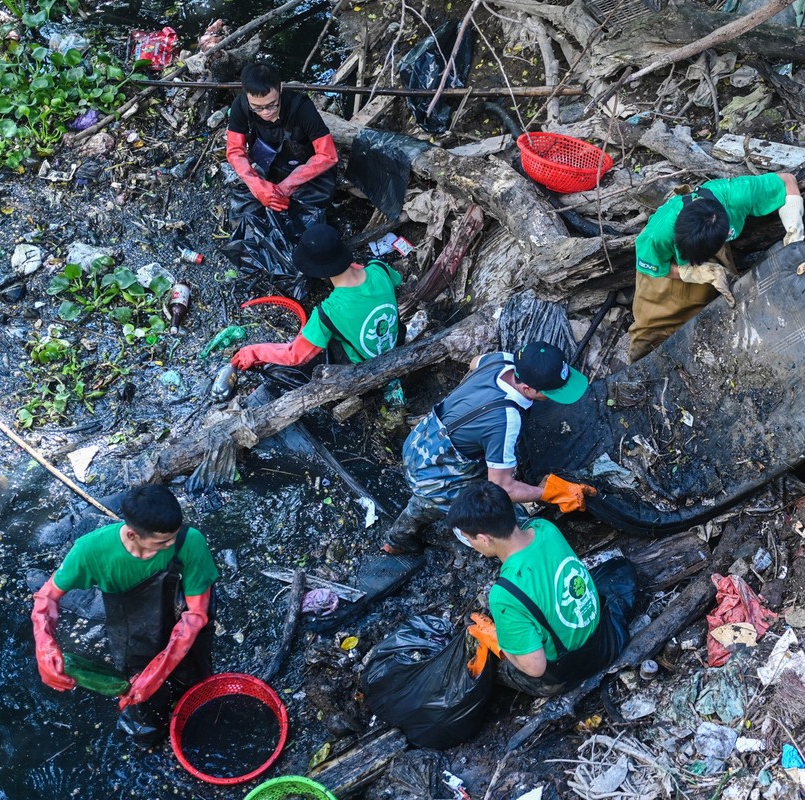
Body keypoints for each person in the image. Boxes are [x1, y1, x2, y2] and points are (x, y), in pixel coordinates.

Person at [31, 485, 219, 747]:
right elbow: (47, 596)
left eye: (174, 537)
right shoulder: (90, 550)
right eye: (162, 542)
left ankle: (197, 716)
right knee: (138, 692)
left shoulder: (190, 542)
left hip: (184, 619)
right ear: (132, 534)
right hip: (133, 627)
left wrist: (160, 671)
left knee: (193, 673)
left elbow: (196, 614)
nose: (172, 544)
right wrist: (44, 644)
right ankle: (151, 736)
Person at [381, 341, 596, 556]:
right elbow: (504, 488)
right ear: (527, 389)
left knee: (427, 496)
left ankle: (397, 538)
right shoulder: (506, 420)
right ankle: (475, 535)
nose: (551, 397)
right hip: (436, 474)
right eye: (550, 392)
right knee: (505, 524)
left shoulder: (503, 359)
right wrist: (548, 492)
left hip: (419, 442)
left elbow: (475, 363)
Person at [448, 481, 635, 697]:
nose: (472, 544)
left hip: (576, 666)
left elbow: (536, 667)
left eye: (470, 539)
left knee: (493, 668)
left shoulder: (504, 594)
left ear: (483, 538)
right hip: (606, 632)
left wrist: (501, 640)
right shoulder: (544, 528)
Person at [628, 172, 805, 362]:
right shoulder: (659, 233)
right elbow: (649, 264)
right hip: (666, 267)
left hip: (710, 252)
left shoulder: (736, 195)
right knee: (652, 325)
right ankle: (637, 364)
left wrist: (794, 235)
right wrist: (691, 272)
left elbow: (787, 180)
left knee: (710, 310)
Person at [230, 223, 401, 371]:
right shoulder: (380, 268)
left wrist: (253, 352)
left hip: (367, 367)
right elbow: (396, 280)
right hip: (395, 345)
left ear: (318, 272)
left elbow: (295, 356)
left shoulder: (328, 312)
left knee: (328, 338)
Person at [226, 61, 338, 229]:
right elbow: (235, 151)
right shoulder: (240, 106)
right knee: (245, 209)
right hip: (270, 164)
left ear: (280, 88)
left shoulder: (302, 108)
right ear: (247, 95)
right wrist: (257, 186)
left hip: (307, 169)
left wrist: (286, 187)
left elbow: (328, 155)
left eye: (272, 105)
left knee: (309, 215)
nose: (266, 112)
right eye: (257, 107)